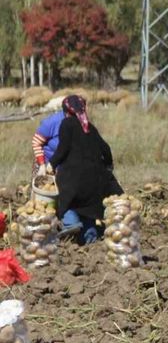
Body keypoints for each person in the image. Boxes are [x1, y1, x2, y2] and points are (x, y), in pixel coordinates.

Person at [48, 95, 122, 244]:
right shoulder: (90, 127)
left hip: (74, 179)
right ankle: (90, 239)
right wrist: (108, 166)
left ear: (66, 111)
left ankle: (71, 223)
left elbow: (63, 149)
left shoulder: (67, 124)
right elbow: (105, 148)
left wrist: (52, 164)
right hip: (95, 181)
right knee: (89, 210)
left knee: (67, 201)